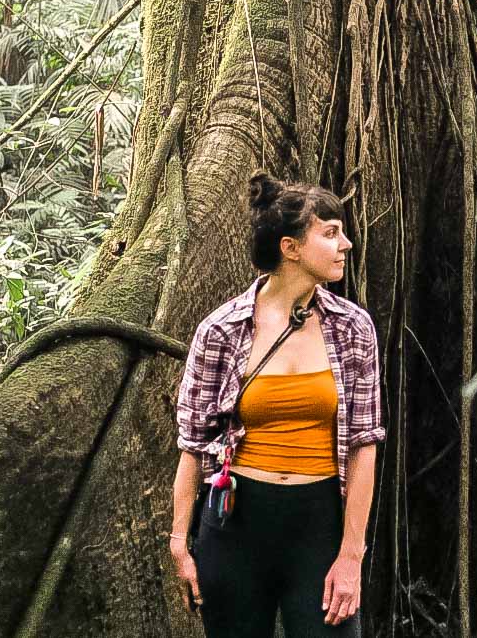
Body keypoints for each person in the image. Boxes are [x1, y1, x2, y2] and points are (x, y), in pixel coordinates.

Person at [169, 170, 386, 637]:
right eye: (330, 234)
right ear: (290, 248)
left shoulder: (352, 328)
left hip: (318, 523)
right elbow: (193, 443)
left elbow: (364, 445)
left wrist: (351, 555)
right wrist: (180, 545)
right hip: (235, 525)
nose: (346, 244)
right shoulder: (221, 330)